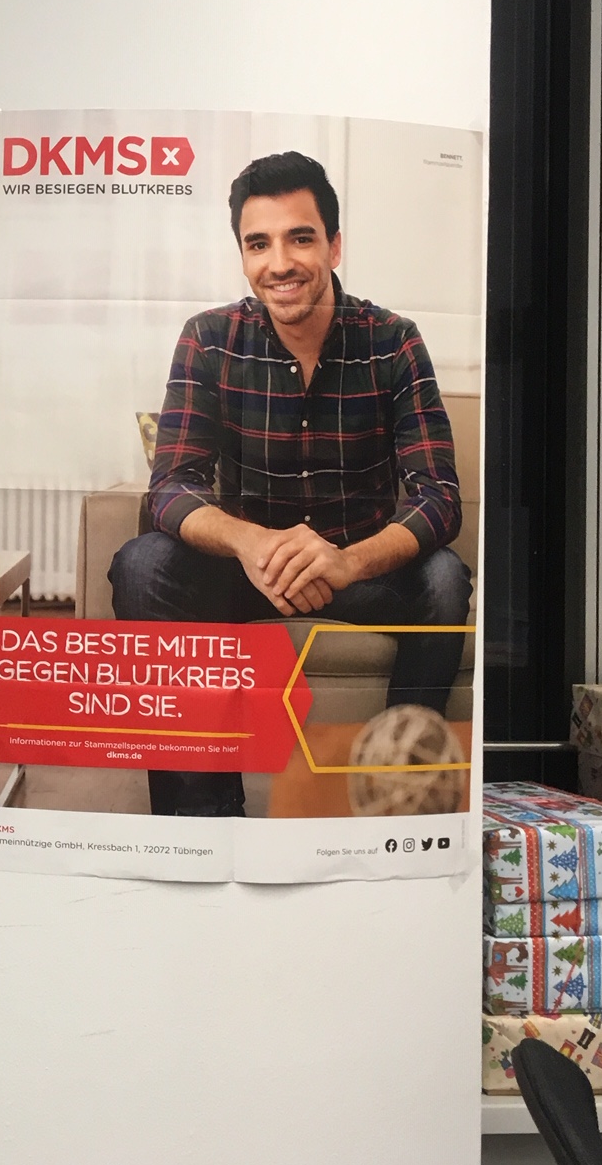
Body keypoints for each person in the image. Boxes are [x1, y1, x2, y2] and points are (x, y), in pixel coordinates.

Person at [108, 150, 471, 817]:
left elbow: (438, 498)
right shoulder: (209, 340)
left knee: (445, 580)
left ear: (334, 246)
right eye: (259, 243)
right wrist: (252, 544)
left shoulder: (394, 343)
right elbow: (170, 488)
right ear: (243, 256)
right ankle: (207, 826)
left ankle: (396, 799)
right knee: (142, 566)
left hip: (357, 569)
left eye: (300, 238)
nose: (279, 262)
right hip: (244, 569)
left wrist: (344, 561)